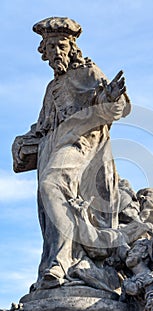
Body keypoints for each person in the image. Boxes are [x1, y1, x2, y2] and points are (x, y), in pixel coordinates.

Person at [12, 17, 131, 286]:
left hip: (82, 148)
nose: (55, 53)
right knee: (52, 201)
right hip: (53, 151)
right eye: (50, 47)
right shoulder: (51, 88)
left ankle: (62, 260)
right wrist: (22, 142)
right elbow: (43, 127)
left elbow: (114, 105)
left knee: (52, 184)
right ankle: (59, 259)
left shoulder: (89, 73)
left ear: (72, 47)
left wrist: (110, 96)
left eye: (60, 46)